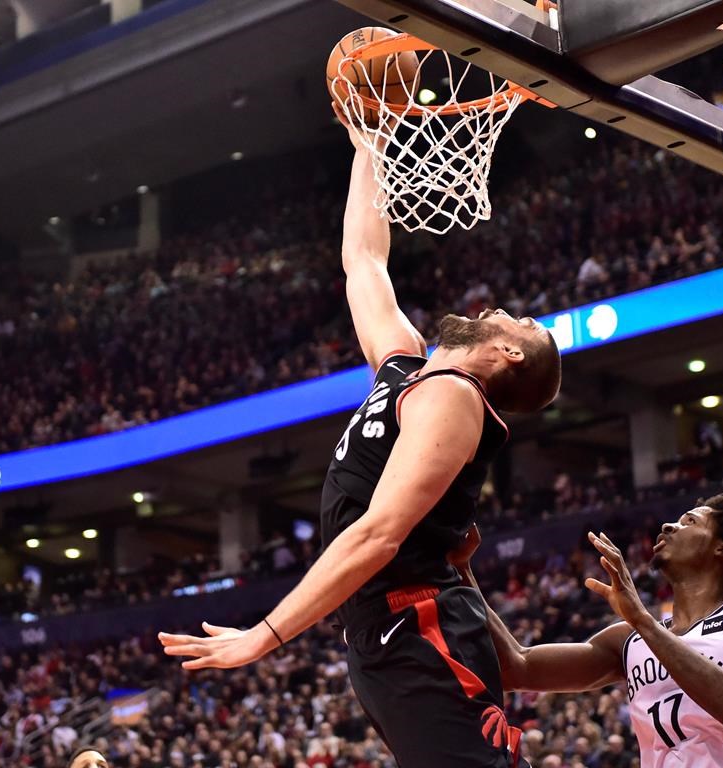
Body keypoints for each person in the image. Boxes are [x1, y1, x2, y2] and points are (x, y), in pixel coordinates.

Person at [157, 103, 562, 768]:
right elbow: (364, 259)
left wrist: (265, 635)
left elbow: (379, 535)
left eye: (517, 322)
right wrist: (369, 139)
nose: (497, 310)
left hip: (420, 624)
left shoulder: (456, 398)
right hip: (381, 634)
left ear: (511, 357)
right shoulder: (406, 366)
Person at [454, 492, 723, 768]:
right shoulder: (629, 640)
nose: (668, 526)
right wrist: (462, 571)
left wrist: (644, 621)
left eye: (689, 522)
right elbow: (518, 667)